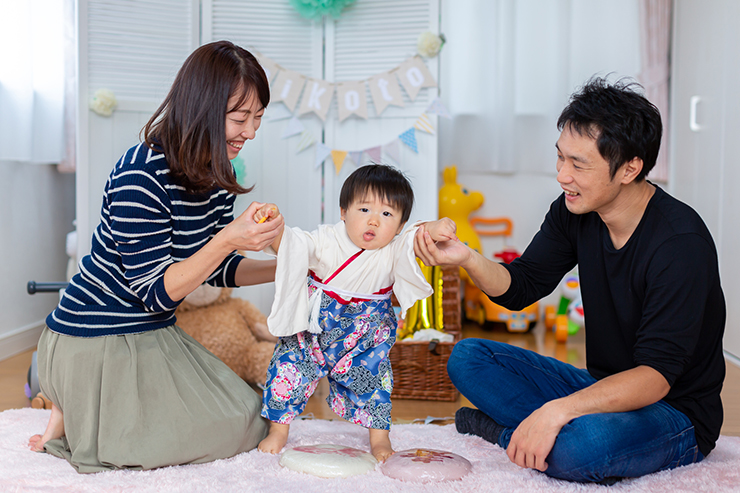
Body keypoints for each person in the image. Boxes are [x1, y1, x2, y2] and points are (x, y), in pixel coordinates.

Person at [414, 77, 726, 484]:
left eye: (578, 164)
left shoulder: (680, 243)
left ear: (630, 167)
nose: (562, 175)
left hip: (675, 411)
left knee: (578, 450)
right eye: (560, 158)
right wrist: (467, 258)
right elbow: (520, 286)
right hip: (603, 390)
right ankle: (545, 431)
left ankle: (503, 432)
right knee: (469, 357)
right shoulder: (573, 212)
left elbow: (655, 376)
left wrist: (557, 410)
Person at [28, 40, 285, 473]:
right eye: (241, 118)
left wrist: (292, 268)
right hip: (95, 336)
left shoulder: (217, 173)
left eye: (258, 118)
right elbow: (157, 294)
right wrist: (228, 237)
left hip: (151, 333)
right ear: (201, 107)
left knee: (246, 415)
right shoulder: (140, 173)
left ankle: (82, 414)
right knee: (199, 436)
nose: (251, 132)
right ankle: (76, 408)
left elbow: (217, 271)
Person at [254, 164, 452, 462]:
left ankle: (380, 440)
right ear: (344, 211)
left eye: (387, 214)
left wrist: (437, 228)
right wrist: (273, 227)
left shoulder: (396, 247)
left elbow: (419, 236)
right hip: (313, 328)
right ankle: (279, 430)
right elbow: (293, 244)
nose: (374, 220)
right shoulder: (326, 239)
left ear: (400, 225)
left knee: (374, 382)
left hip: (365, 336)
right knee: (288, 370)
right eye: (363, 209)